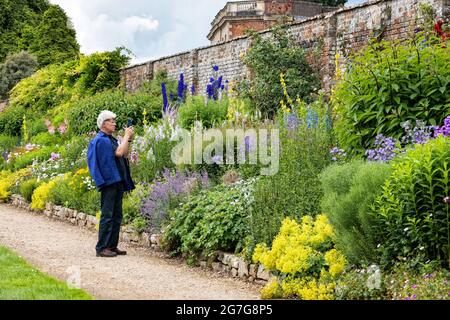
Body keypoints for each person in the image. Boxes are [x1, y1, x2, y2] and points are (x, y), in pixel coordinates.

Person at [87, 110, 135, 257]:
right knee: (108, 214)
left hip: (117, 180)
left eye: (114, 120)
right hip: (109, 181)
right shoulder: (101, 140)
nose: (114, 123)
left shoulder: (110, 139)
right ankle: (101, 248)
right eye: (111, 121)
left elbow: (125, 153)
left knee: (117, 215)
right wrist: (126, 136)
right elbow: (118, 154)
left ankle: (112, 246)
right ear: (103, 123)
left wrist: (129, 140)